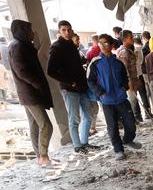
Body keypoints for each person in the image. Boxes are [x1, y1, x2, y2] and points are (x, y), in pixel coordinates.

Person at [87, 34, 142, 160]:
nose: (102, 45)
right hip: (107, 101)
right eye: (100, 43)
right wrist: (100, 92)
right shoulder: (95, 63)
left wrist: (123, 88)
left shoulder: (118, 62)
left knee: (131, 123)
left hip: (121, 99)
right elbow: (90, 81)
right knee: (112, 127)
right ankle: (118, 150)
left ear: (112, 45)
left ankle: (127, 140)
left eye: (106, 43)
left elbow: (124, 77)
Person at [8, 20, 54, 166]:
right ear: (22, 30)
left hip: (29, 93)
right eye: (29, 29)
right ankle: (43, 155)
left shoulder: (23, 45)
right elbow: (22, 71)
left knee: (34, 124)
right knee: (46, 125)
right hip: (30, 93)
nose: (32, 32)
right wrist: (37, 84)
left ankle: (39, 157)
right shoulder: (17, 46)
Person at [47, 20, 95, 154]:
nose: (67, 32)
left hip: (81, 86)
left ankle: (84, 142)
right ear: (59, 32)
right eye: (64, 30)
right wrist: (69, 82)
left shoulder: (72, 45)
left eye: (69, 29)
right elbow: (51, 71)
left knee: (88, 115)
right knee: (74, 118)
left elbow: (77, 64)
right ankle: (77, 146)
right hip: (69, 88)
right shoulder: (56, 47)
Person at [117, 30, 143, 123]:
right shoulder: (124, 52)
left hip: (133, 79)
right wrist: (129, 82)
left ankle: (131, 119)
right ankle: (129, 121)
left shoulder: (128, 50)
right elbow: (125, 69)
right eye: (130, 37)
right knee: (131, 101)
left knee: (133, 101)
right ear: (124, 39)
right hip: (129, 81)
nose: (132, 39)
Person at [134, 37, 153, 119]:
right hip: (140, 73)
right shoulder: (141, 49)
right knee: (143, 94)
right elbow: (141, 61)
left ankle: (138, 116)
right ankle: (147, 112)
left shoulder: (125, 50)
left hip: (132, 76)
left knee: (134, 96)